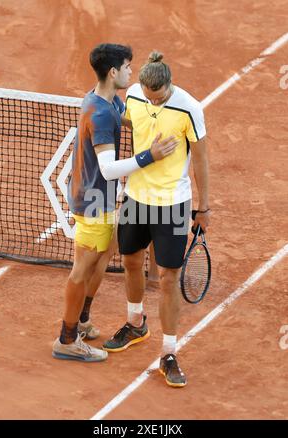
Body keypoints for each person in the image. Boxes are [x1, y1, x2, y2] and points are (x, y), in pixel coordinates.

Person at [52, 44, 178, 362]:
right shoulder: (101, 113)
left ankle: (81, 321)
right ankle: (66, 339)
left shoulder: (105, 100)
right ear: (113, 72)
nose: (130, 72)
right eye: (127, 67)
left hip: (100, 197)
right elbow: (108, 168)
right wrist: (151, 156)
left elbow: (129, 122)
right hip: (92, 201)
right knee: (82, 268)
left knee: (102, 256)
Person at [103, 51, 210, 386]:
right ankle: (136, 323)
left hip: (173, 204)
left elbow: (201, 161)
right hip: (135, 197)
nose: (154, 101)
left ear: (169, 84)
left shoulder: (189, 108)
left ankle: (169, 352)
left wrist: (204, 208)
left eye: (159, 97)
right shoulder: (134, 94)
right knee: (131, 262)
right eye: (149, 97)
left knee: (167, 278)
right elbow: (134, 121)